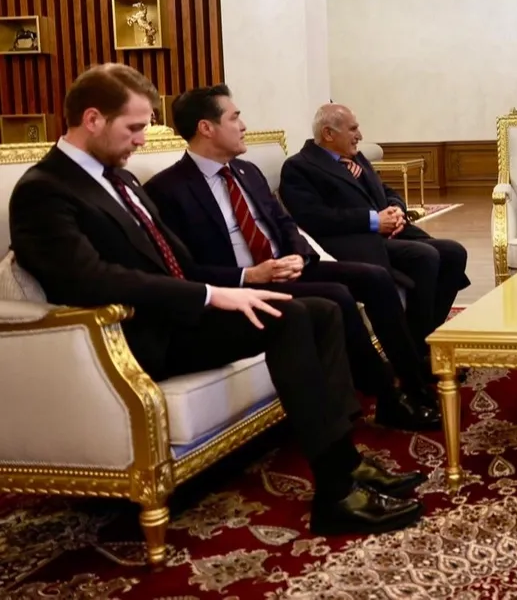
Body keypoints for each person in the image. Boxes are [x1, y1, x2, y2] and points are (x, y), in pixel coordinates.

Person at [8, 65, 421, 535]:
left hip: (177, 318)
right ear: (93, 119)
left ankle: (345, 462)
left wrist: (228, 288)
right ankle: (335, 494)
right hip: (130, 338)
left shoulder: (119, 179)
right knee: (287, 317)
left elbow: (176, 258)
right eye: (135, 127)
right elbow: (90, 279)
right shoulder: (44, 190)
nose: (142, 140)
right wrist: (211, 293)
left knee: (322, 310)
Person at [144, 85, 441, 431]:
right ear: (206, 128)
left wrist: (298, 255)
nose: (243, 126)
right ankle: (388, 397)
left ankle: (414, 381)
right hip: (244, 284)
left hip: (288, 267)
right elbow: (184, 268)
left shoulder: (247, 171)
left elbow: (285, 223)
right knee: (337, 296)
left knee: (374, 276)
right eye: (235, 118)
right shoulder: (167, 190)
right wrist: (251, 275)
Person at [278, 104, 470, 342]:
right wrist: (374, 221)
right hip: (354, 242)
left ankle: (428, 334)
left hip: (390, 234)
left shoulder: (355, 158)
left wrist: (397, 209)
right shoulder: (299, 167)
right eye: (353, 129)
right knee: (424, 255)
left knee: (454, 252)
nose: (359, 135)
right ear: (328, 133)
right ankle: (417, 345)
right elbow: (314, 217)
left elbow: (386, 190)